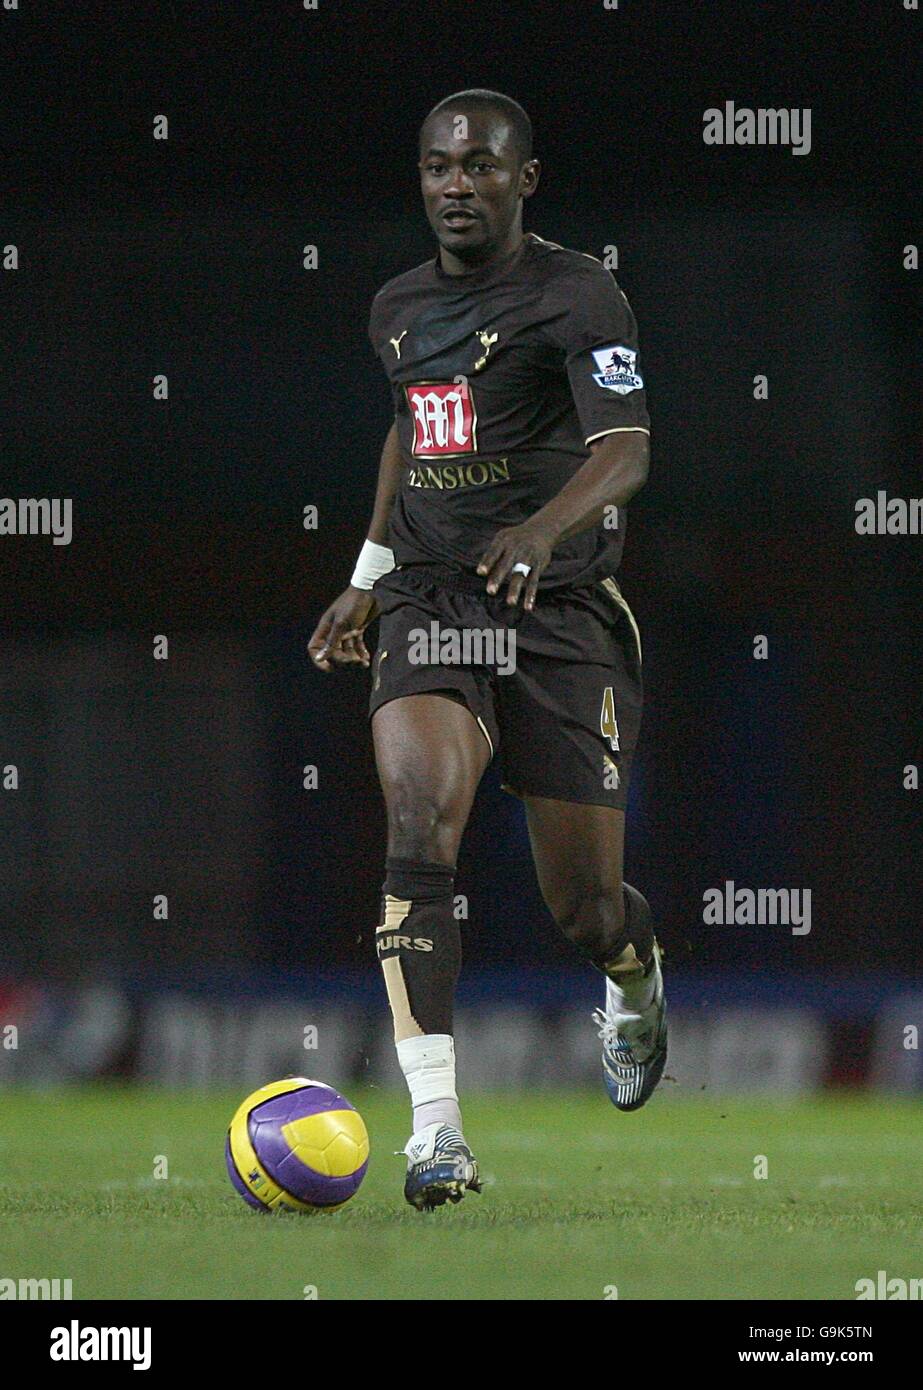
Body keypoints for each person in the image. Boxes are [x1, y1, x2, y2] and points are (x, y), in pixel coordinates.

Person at [309, 89, 666, 1211]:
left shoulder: (578, 292)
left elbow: (624, 451)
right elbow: (413, 431)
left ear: (525, 179)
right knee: (417, 825)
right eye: (435, 167)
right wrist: (366, 582)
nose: (454, 185)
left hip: (558, 610)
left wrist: (539, 526)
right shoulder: (396, 307)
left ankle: (633, 975)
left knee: (584, 907)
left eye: (477, 166)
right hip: (430, 597)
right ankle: (436, 1133)